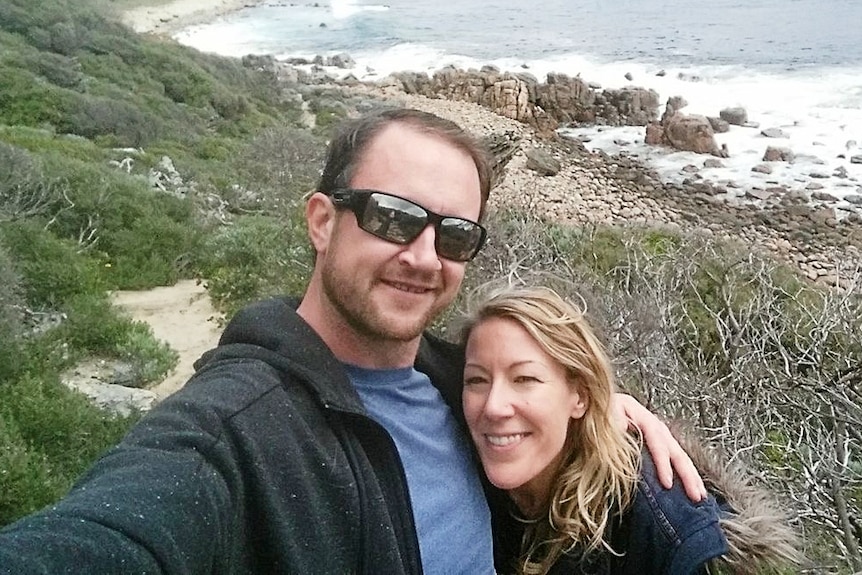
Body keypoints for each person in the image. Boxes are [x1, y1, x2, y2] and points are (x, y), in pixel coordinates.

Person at [0, 108, 705, 574]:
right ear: (320, 221)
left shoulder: (459, 382)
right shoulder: (231, 433)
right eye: (395, 217)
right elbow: (115, 530)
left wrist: (608, 407)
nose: (425, 256)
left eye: (455, 234)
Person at [459, 284, 803, 575]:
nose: (493, 405)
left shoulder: (659, 530)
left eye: (525, 379)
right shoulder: (460, 463)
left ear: (580, 395)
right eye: (476, 380)